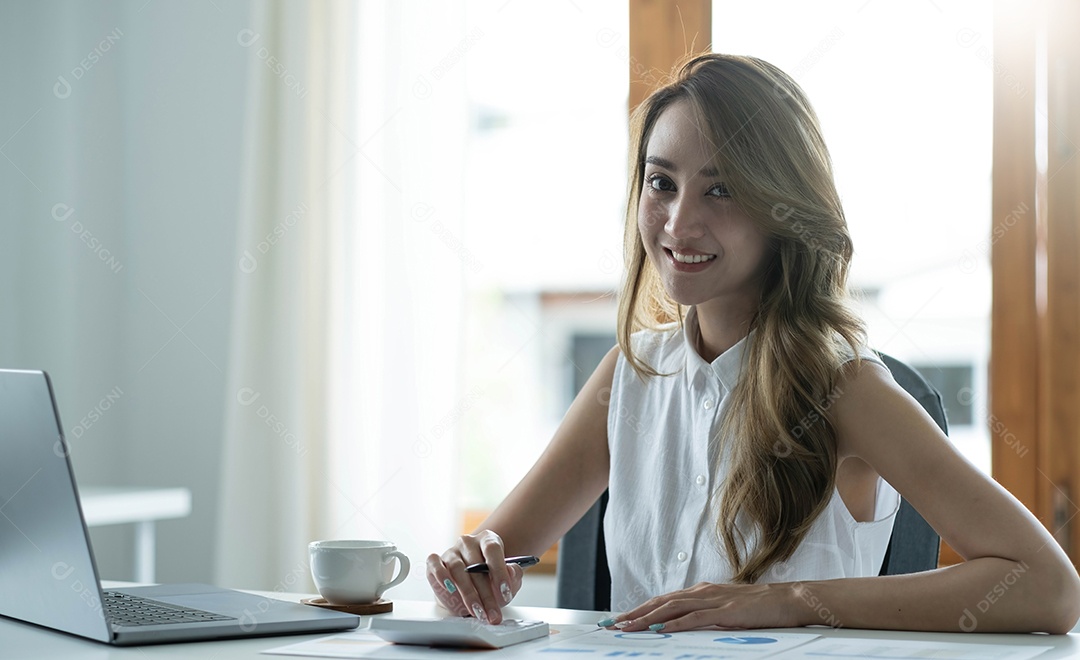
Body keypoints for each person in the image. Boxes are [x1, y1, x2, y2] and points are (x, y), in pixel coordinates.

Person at [425, 53, 1080, 634]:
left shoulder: (846, 388)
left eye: (722, 189)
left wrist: (789, 599)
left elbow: (1047, 587)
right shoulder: (629, 375)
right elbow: (499, 550)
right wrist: (474, 567)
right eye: (662, 183)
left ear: (782, 207)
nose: (680, 222)